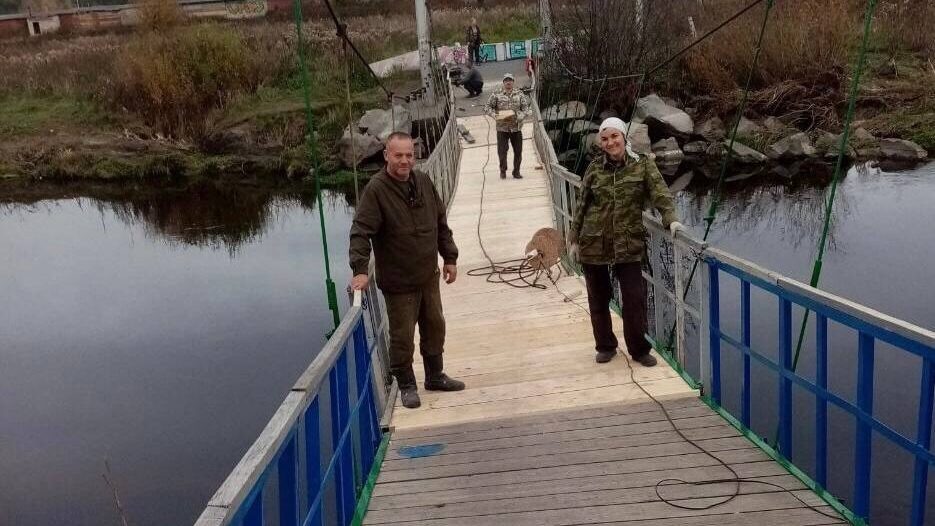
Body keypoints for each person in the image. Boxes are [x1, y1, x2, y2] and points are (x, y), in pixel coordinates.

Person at [349, 132, 465, 409]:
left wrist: (449, 257)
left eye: (409, 155)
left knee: (435, 326)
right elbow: (360, 232)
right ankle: (406, 385)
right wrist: (361, 270)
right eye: (398, 155)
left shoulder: (423, 180)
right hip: (399, 281)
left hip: (428, 275)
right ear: (387, 155)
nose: (404, 161)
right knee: (402, 336)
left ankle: (435, 375)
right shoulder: (376, 190)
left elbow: (440, 220)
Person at [568, 117, 685, 366]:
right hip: (594, 243)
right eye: (605, 138)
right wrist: (574, 238)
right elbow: (581, 204)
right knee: (598, 298)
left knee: (634, 298)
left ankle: (639, 349)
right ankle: (606, 345)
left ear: (624, 137)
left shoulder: (642, 165)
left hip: (628, 244)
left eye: (614, 137)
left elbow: (660, 193)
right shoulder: (594, 169)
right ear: (601, 142)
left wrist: (671, 220)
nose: (610, 143)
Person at [484, 73, 530, 179]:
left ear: (513, 82)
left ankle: (516, 171)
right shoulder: (496, 94)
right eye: (506, 80)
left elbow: (526, 108)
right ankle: (503, 170)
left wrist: (521, 116)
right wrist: (495, 115)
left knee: (518, 151)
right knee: (502, 151)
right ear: (503, 82)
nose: (508, 82)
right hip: (502, 128)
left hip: (516, 127)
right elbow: (487, 107)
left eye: (510, 80)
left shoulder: (519, 94)